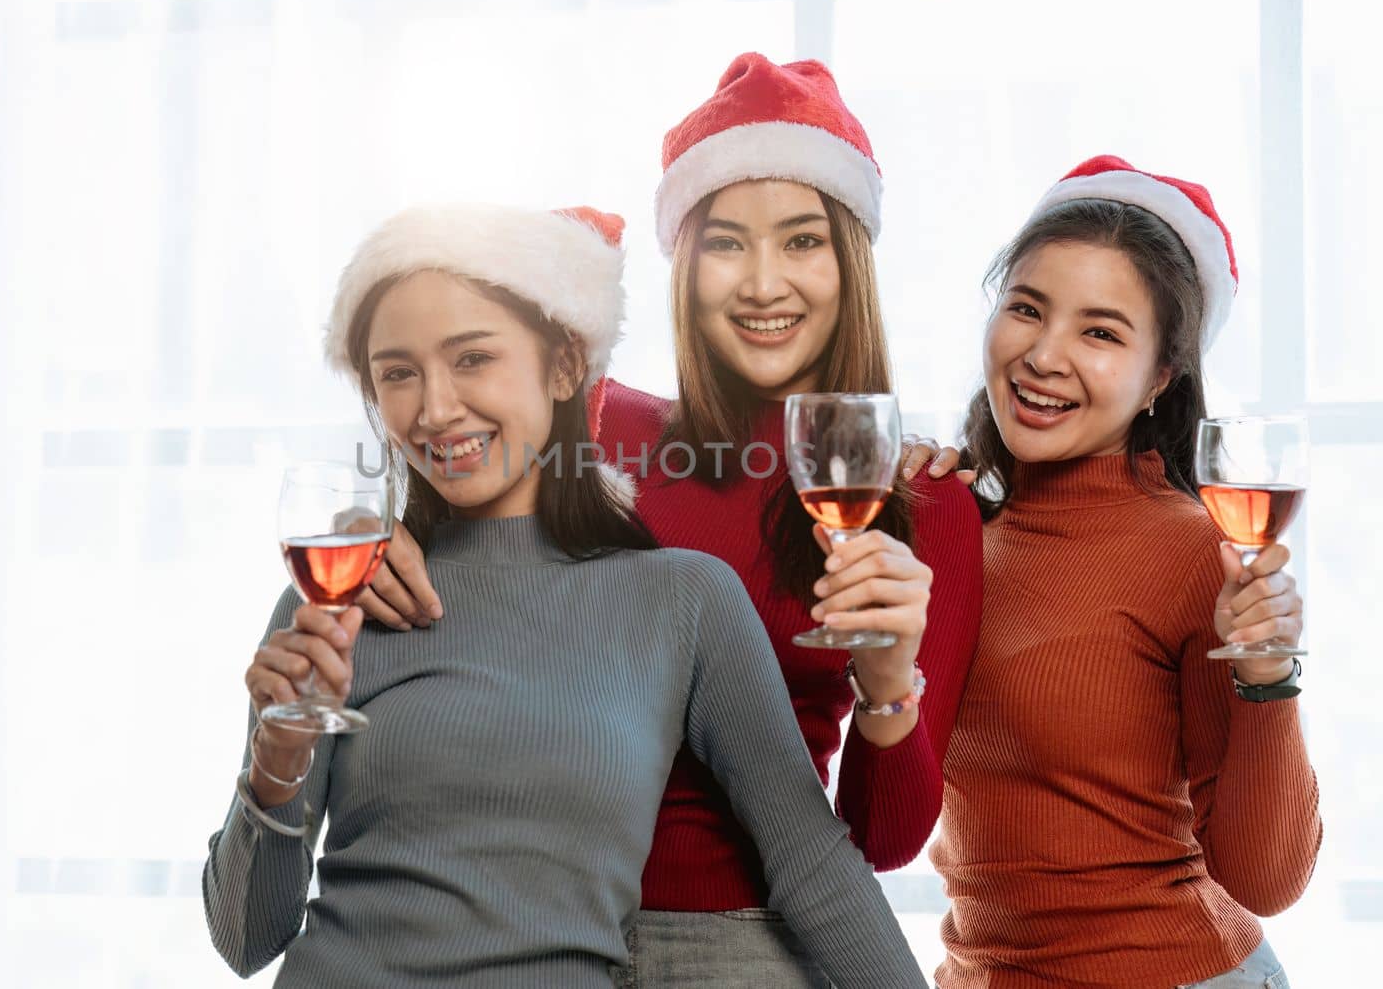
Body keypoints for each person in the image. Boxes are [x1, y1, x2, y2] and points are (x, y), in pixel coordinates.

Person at [357, 53, 983, 987]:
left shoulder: (922, 500)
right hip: (532, 916)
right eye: (726, 243)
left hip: (742, 936)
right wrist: (377, 531)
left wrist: (890, 682)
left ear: (849, 262)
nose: (764, 283)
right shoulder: (602, 426)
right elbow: (435, 380)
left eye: (803, 241)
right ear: (682, 266)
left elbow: (879, 845)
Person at [202, 203, 927, 989]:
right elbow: (247, 938)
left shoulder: (680, 601)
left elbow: (815, 866)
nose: (435, 408)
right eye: (398, 372)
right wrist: (273, 768)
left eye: (472, 358)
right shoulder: (343, 605)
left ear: (562, 367)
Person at [930, 155, 1322, 988]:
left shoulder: (1192, 552)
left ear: (1161, 379)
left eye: (1100, 332)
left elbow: (1266, 878)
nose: (1043, 354)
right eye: (1026, 309)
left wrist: (1268, 677)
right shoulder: (959, 526)